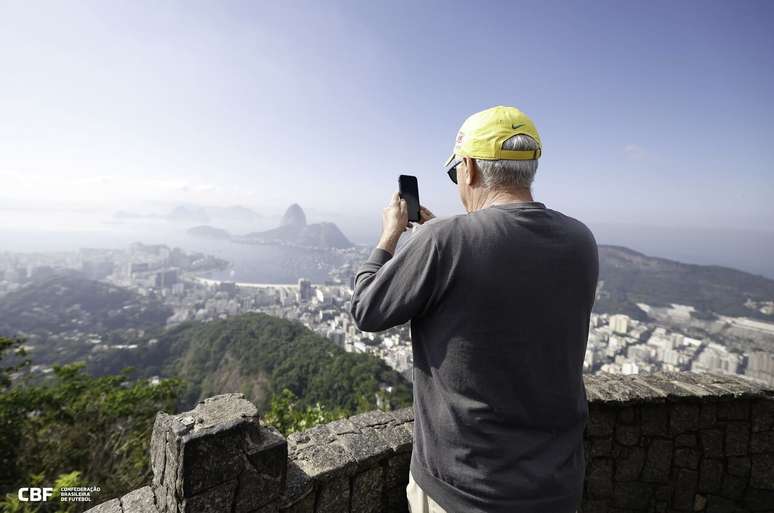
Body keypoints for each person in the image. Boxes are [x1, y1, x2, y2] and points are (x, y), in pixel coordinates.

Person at [349, 105, 597, 513]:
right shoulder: (580, 240)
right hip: (557, 487)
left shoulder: (445, 242)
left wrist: (391, 236)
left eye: (455, 174)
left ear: (469, 168)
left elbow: (366, 309)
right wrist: (444, 234)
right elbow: (504, 257)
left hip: (465, 489)